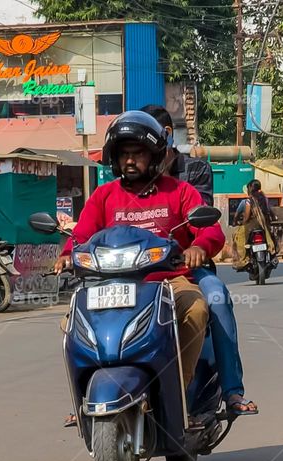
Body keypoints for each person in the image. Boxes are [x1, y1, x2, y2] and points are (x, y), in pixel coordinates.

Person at [54, 111, 219, 403]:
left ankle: (178, 392)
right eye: (124, 154)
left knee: (196, 310)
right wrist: (68, 255)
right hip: (110, 285)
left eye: (138, 153)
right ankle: (84, 397)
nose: (130, 161)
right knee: (71, 323)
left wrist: (199, 248)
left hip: (167, 282)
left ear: (154, 154)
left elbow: (211, 231)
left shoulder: (180, 192)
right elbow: (81, 234)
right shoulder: (103, 196)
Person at [142, 104, 256, 415]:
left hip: (187, 268)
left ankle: (232, 390)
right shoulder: (129, 182)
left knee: (216, 296)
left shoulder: (193, 173)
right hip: (138, 271)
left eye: (143, 142)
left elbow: (202, 223)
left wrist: (196, 249)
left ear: (164, 137)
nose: (135, 155)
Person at [233, 179, 277, 270]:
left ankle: (243, 260)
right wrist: (273, 218)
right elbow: (269, 211)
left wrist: (243, 223)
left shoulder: (249, 201)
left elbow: (247, 216)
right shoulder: (264, 198)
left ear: (250, 189)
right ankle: (273, 255)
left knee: (238, 237)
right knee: (271, 236)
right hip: (264, 225)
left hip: (252, 225)